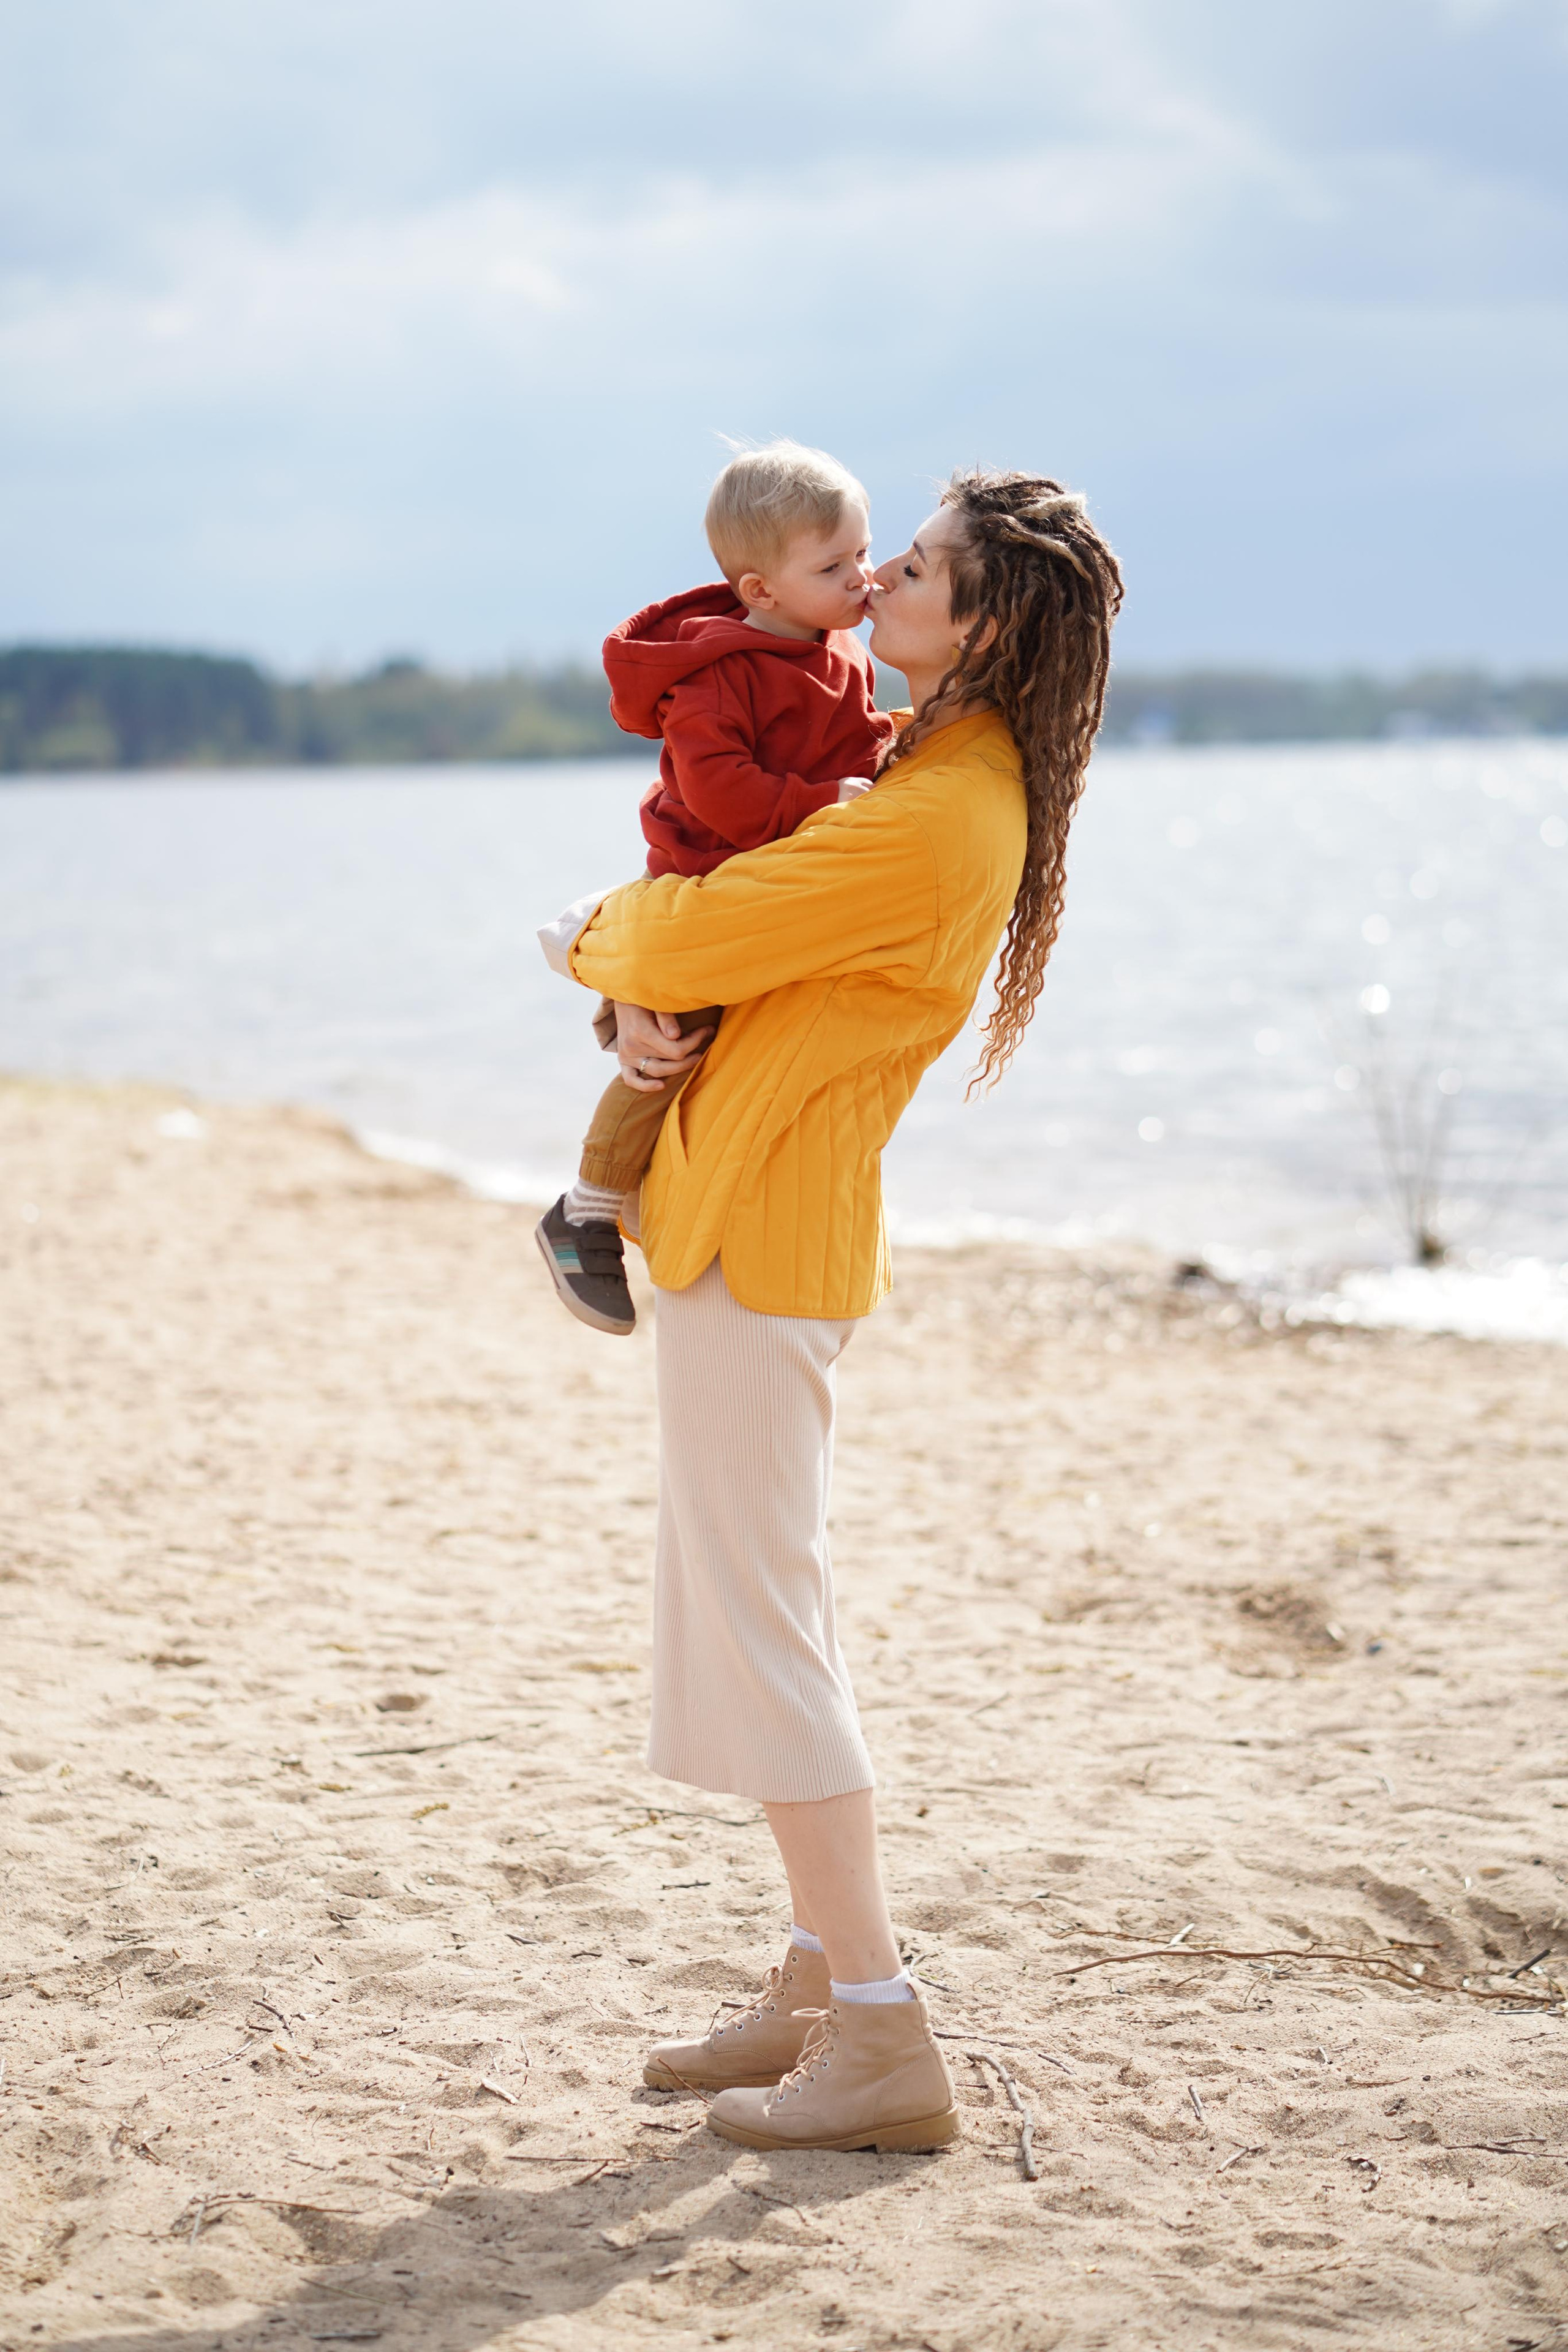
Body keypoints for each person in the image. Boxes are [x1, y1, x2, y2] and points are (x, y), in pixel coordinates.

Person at [540, 468, 1123, 2154]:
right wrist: (650, 1001)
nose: (879, 588)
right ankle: (814, 1989)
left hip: (767, 1239)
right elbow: (751, 951)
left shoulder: (935, 810)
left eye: (918, 570)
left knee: (767, 1623)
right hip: (761, 1216)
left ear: (989, 621)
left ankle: (878, 2025)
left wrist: (592, 938)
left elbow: (723, 914)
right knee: (751, 1606)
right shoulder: (923, 764)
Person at [535, 440, 892, 1338]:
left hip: (772, 871)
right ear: (760, 590)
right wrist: (823, 803)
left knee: (734, 1045)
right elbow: (720, 794)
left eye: (864, 549)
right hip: (703, 865)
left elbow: (856, 747)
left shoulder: (837, 648)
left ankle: (655, 1164)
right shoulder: (717, 675)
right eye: (834, 565)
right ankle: (584, 1207)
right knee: (676, 1046)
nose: (864, 577)